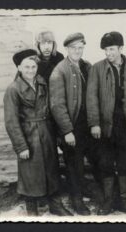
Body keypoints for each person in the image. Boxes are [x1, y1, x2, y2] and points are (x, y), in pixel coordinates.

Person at [3, 49, 72, 216]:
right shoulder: (13, 89)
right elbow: (11, 122)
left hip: (46, 133)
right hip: (29, 136)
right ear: (19, 68)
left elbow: (51, 109)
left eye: (33, 67)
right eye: (26, 67)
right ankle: (32, 210)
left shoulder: (42, 82)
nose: (30, 70)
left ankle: (55, 205)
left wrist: (56, 136)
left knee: (51, 169)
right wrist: (21, 147)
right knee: (30, 174)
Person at [87, 31, 126, 215]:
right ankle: (108, 201)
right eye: (105, 50)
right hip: (105, 125)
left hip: (125, 124)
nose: (108, 53)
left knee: (124, 162)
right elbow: (91, 97)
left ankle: (125, 200)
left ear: (120, 48)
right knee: (106, 163)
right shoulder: (97, 68)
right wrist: (94, 123)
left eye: (111, 49)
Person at [49, 33, 99, 215]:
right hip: (72, 125)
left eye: (80, 47)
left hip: (88, 124)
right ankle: (76, 200)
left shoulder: (87, 67)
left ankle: (98, 194)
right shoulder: (59, 71)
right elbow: (57, 104)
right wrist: (67, 130)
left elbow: (93, 96)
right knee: (74, 165)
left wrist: (95, 122)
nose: (77, 51)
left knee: (96, 159)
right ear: (67, 49)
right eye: (73, 48)